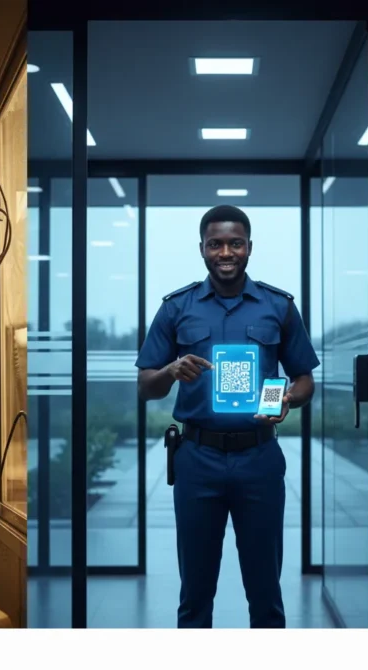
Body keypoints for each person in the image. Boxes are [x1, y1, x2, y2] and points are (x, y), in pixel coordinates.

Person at [136, 205, 319, 629]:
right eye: (215, 243)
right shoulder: (176, 308)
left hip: (259, 459)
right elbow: (146, 386)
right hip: (197, 460)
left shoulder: (279, 306)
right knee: (195, 595)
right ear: (201, 248)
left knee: (266, 594)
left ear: (249, 247)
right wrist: (170, 370)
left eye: (235, 243)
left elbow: (306, 379)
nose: (225, 252)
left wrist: (290, 398)